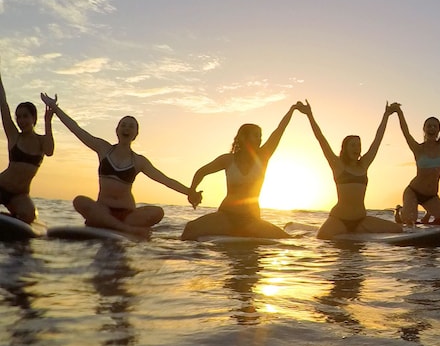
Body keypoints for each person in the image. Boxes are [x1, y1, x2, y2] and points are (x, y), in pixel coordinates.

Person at [40, 93, 200, 238]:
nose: (127, 128)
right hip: (103, 209)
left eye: (131, 126)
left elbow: (166, 180)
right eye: (123, 125)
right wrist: (54, 108)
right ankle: (126, 229)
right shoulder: (103, 148)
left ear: (136, 134)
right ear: (117, 130)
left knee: (158, 212)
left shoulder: (139, 161)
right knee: (79, 201)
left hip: (128, 214)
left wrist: (190, 192)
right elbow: (76, 129)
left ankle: (109, 224)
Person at [180, 102, 303, 240]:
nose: (260, 139)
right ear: (243, 138)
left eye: (260, 136)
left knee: (290, 240)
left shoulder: (263, 157)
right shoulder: (227, 160)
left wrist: (292, 109)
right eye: (255, 135)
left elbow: (279, 130)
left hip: (251, 221)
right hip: (226, 216)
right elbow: (201, 171)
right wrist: (192, 192)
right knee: (190, 228)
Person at [302, 100, 403, 238]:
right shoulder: (338, 166)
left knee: (398, 229)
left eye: (359, 145)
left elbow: (378, 139)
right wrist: (309, 115)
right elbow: (321, 139)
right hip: (339, 220)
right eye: (353, 145)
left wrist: (386, 115)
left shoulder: (364, 164)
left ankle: (357, 231)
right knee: (321, 237)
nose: (357, 148)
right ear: (345, 149)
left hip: (361, 220)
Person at [394, 83, 440, 226]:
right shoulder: (418, 148)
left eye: (435, 126)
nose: (432, 128)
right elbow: (405, 132)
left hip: (431, 196)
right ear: (424, 129)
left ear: (439, 129)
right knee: (409, 222)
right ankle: (399, 211)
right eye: (429, 126)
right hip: (413, 191)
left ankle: (427, 215)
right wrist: (399, 112)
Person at [0, 60, 54, 223]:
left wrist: (48, 121)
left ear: (33, 118)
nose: (21, 120)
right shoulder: (14, 136)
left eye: (25, 116)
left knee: (30, 216)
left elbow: (50, 151)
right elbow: (3, 104)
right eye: (19, 116)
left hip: (20, 195)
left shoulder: (41, 142)